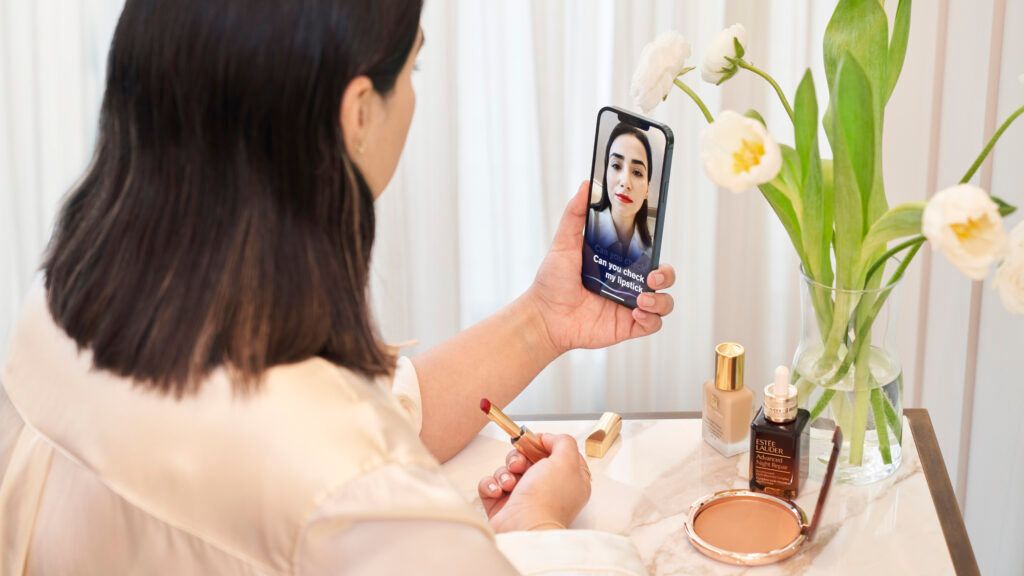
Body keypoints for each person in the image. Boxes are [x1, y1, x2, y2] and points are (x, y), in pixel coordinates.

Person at [0, 1, 676, 574]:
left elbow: (381, 410)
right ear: (357, 112)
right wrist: (537, 523)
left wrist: (543, 320)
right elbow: (351, 458)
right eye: (411, 68)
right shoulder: (340, 476)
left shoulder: (60, 311)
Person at [586, 123, 656, 267]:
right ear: (606, 174)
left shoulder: (650, 251)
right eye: (616, 166)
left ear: (647, 189)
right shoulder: (586, 225)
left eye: (637, 172)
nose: (625, 182)